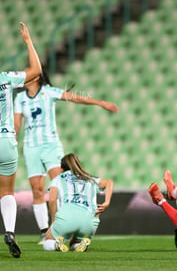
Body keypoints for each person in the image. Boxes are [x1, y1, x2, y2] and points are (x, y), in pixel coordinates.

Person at [14, 70, 118, 243]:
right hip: (31, 148)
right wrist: (11, 140)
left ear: (37, 77)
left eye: (28, 74)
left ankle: (65, 226)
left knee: (62, 183)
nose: (25, 77)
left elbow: (75, 98)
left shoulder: (48, 92)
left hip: (51, 146)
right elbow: (17, 124)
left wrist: (100, 103)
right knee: (37, 190)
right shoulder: (20, 99)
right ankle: (44, 231)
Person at [0, 22, 42, 258]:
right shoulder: (6, 79)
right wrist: (28, 41)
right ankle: (9, 231)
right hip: (5, 141)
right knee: (7, 191)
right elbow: (36, 70)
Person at [42, 153, 113, 252]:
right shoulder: (90, 178)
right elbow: (109, 182)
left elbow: (52, 200)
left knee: (48, 241)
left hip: (67, 218)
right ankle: (80, 244)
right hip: (89, 221)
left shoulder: (58, 179)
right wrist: (107, 202)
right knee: (75, 242)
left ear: (62, 169)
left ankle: (56, 245)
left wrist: (54, 221)